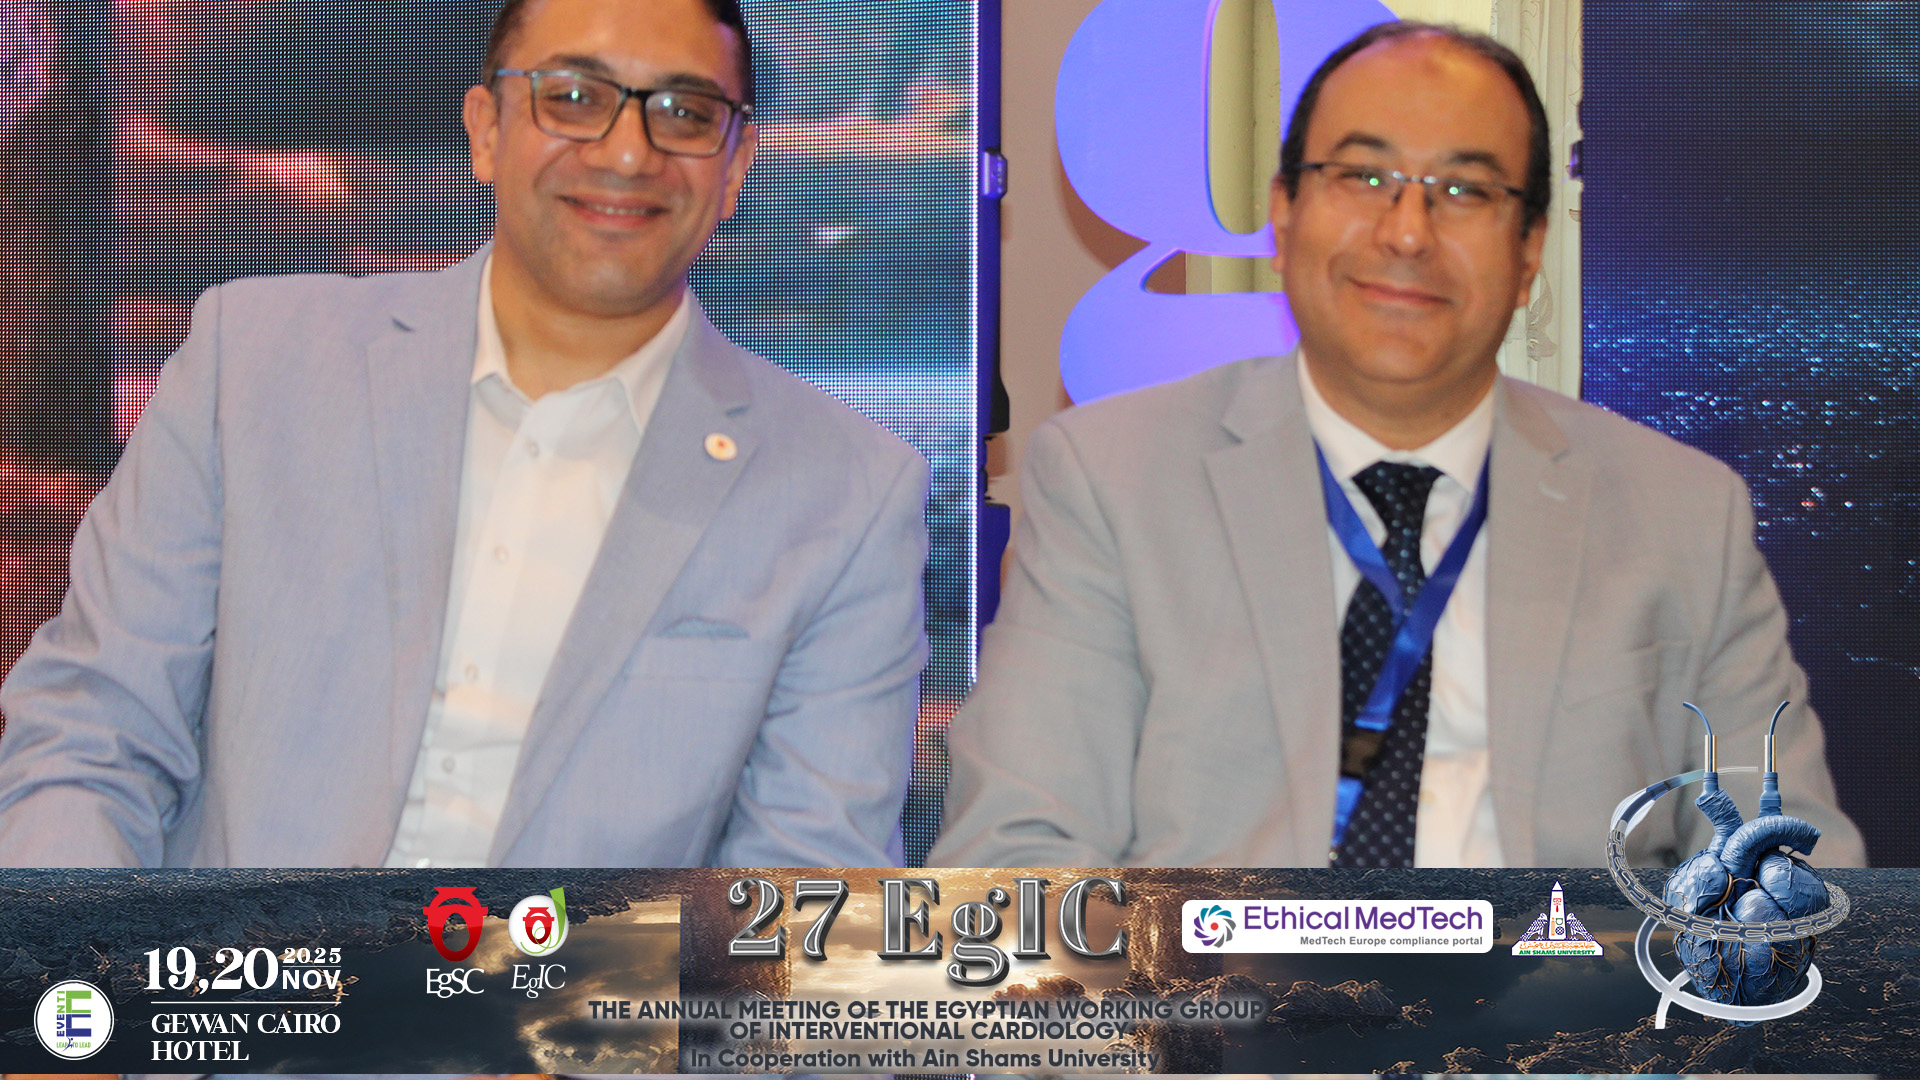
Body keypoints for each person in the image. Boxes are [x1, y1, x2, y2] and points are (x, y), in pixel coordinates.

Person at [0, 0, 928, 868]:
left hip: (589, 996)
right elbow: (91, 739)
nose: (627, 152)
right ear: (486, 130)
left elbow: (798, 900)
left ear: (735, 164)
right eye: (574, 99)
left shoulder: (848, 495)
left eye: (684, 114)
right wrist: (76, 982)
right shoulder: (250, 364)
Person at [932, 21, 1865, 869]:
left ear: (1529, 248)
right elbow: (1014, 857)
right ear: (1284, 214)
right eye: (1364, 177)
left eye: (1464, 189)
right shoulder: (1112, 481)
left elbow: (1789, 880)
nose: (1408, 232)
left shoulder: (1684, 516)